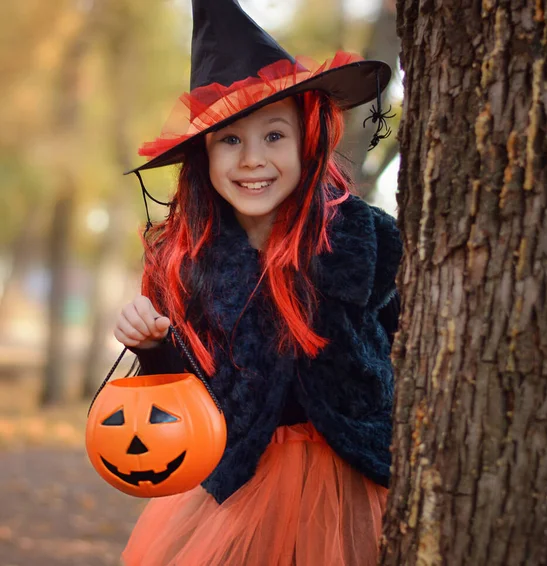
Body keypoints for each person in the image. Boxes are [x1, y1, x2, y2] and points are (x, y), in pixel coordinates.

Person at [114, 1, 402, 564]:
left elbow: (410, 347)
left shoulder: (365, 240)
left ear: (309, 140)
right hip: (237, 487)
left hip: (355, 479)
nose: (252, 161)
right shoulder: (185, 259)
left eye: (274, 136)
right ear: (204, 155)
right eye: (230, 141)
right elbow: (183, 399)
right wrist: (152, 351)